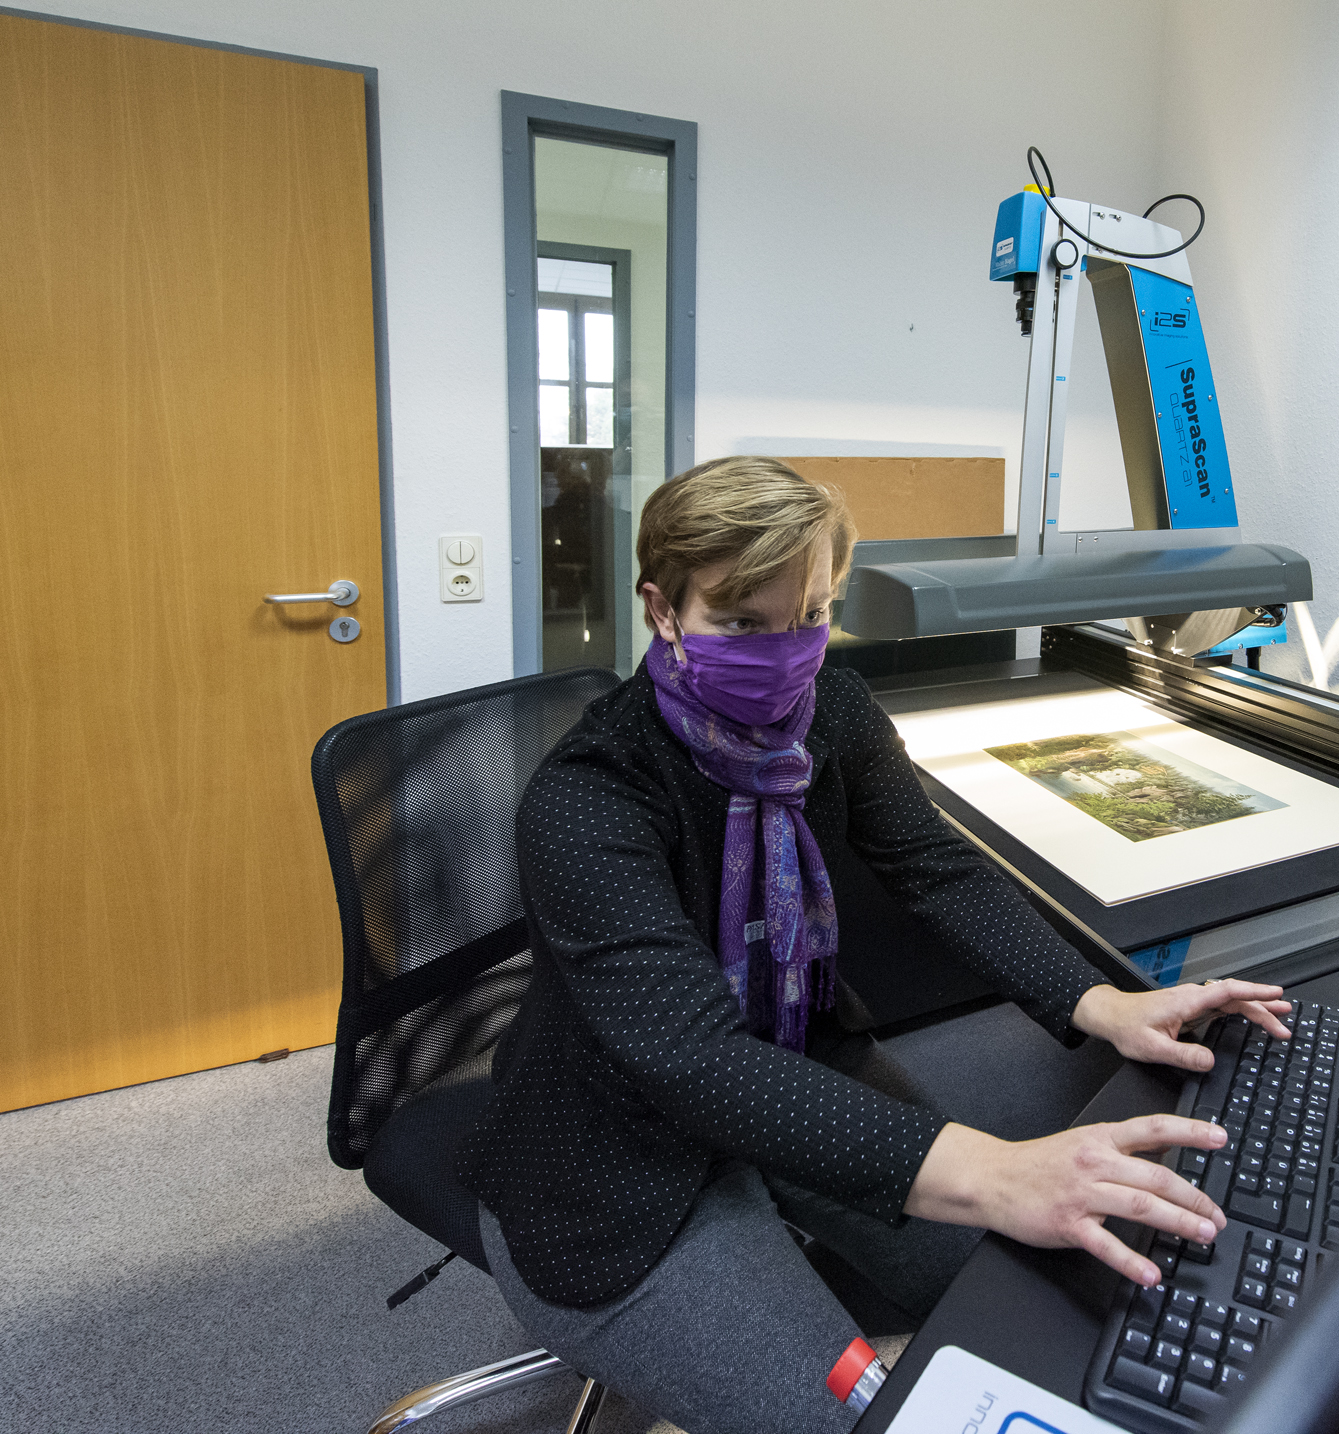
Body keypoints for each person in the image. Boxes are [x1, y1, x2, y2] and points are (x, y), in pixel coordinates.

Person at [460, 456, 1292, 1434]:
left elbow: (935, 867)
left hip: (802, 1067)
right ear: (663, 609)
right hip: (611, 1172)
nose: (786, 652)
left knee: (1042, 1293)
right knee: (868, 1420)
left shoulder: (837, 716)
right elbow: (694, 1061)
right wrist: (995, 1169)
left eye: (812, 614)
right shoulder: (588, 796)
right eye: (742, 623)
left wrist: (1101, 1002)